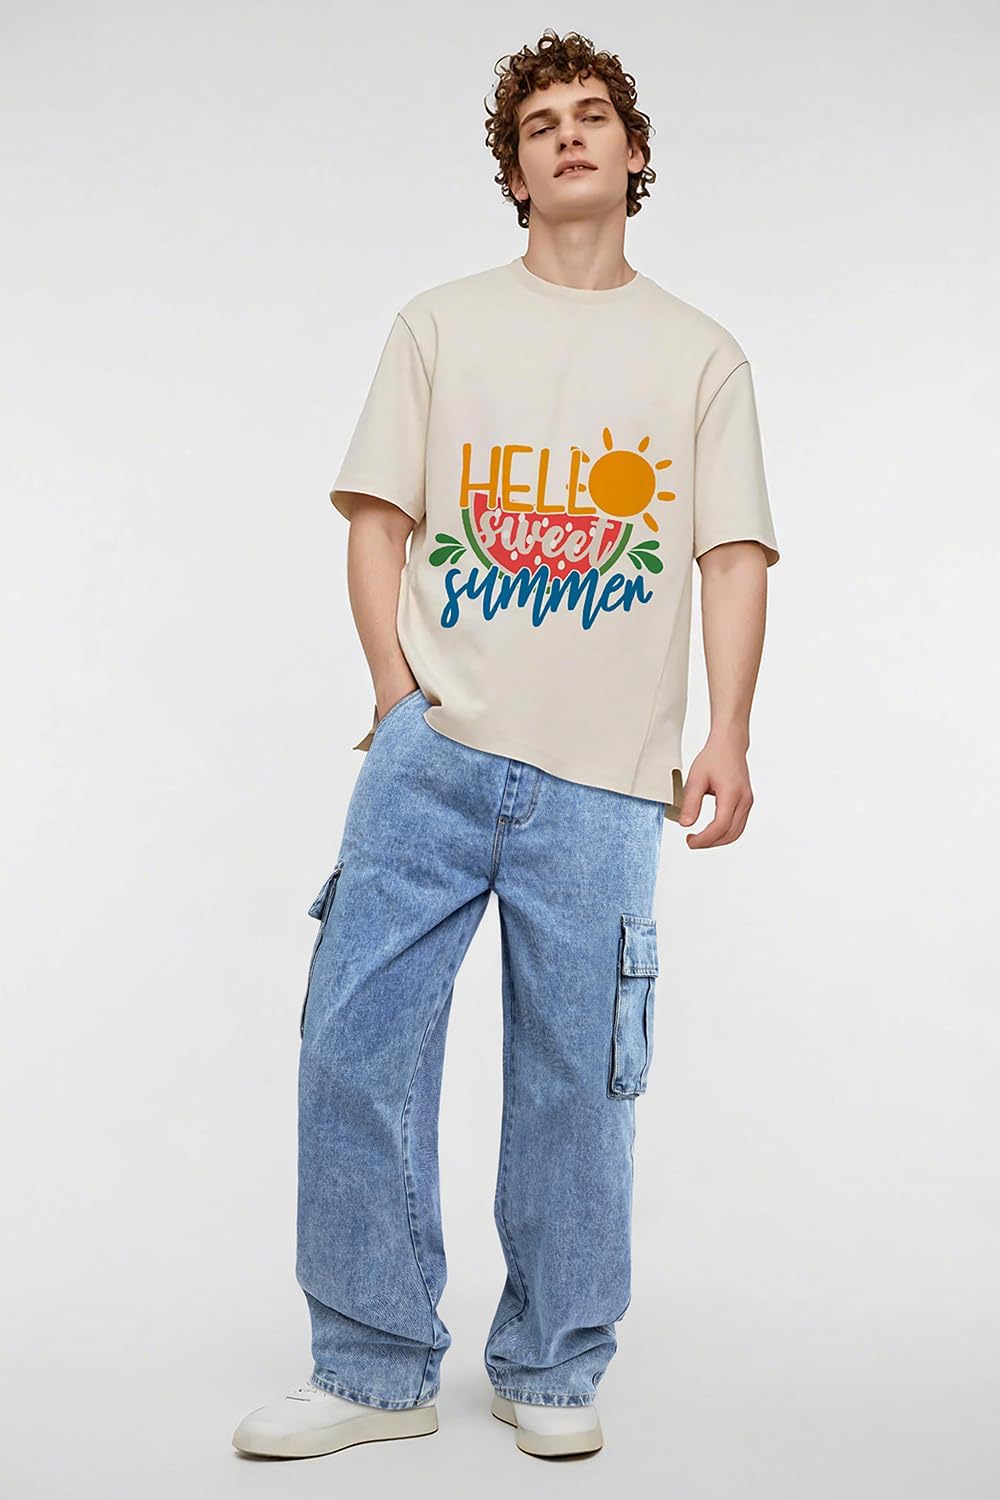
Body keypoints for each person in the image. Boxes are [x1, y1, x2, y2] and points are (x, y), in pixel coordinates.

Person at [233, 27, 780, 1463]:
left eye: (594, 116)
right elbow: (377, 521)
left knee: (575, 1082)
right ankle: (372, 1370)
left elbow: (731, 554)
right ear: (515, 170)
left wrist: (727, 731)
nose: (570, 136)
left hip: (606, 781)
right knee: (354, 1044)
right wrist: (393, 692)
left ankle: (550, 1361)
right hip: (434, 756)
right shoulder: (440, 325)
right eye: (542, 125)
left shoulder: (700, 355)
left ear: (634, 154)